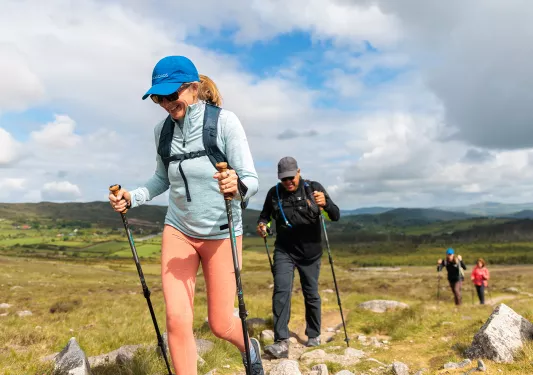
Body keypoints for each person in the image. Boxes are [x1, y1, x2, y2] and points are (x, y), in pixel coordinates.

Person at [108, 55, 264, 375]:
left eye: (171, 95)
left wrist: (236, 185)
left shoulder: (224, 122)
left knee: (220, 324)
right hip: (178, 229)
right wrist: (132, 197)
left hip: (222, 231)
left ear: (193, 89)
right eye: (157, 97)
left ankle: (249, 347)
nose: (165, 103)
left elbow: (250, 179)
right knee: (177, 320)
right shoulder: (161, 132)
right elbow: (161, 179)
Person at [256, 156, 340, 359]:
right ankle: (281, 341)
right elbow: (265, 216)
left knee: (311, 294)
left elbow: (335, 215)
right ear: (279, 178)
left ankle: (313, 335)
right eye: (284, 179)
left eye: (291, 178)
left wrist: (326, 204)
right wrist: (263, 225)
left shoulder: (313, 188)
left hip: (311, 254)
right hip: (284, 251)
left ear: (299, 172)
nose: (289, 182)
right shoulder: (274, 193)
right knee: (281, 291)